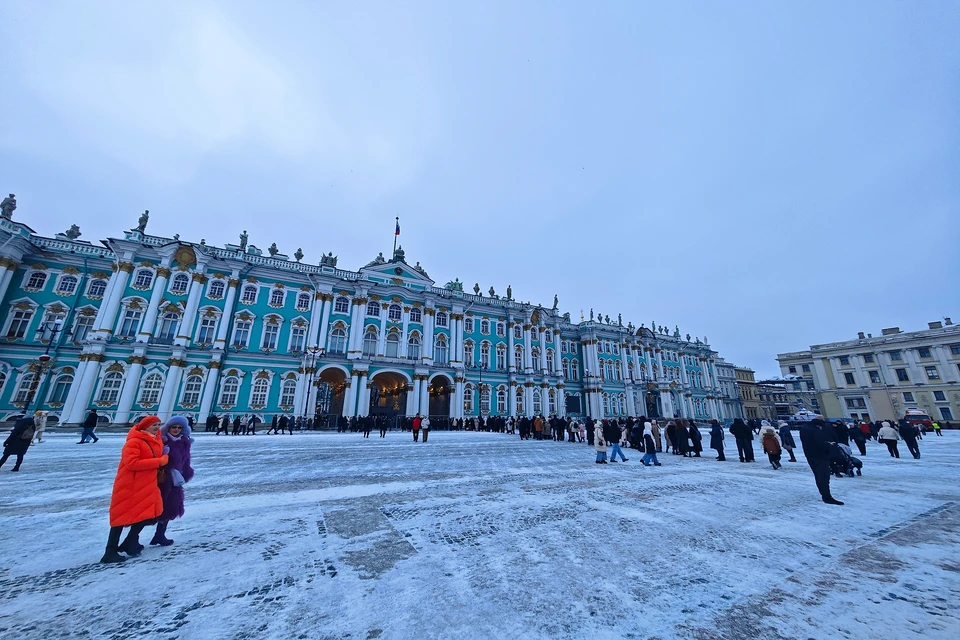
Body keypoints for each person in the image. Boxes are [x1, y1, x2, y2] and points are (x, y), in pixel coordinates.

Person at [100, 416, 169, 563]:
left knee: (149, 513)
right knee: (120, 517)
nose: (157, 427)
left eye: (158, 425)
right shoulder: (134, 441)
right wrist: (160, 461)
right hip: (130, 484)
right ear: (144, 426)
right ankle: (110, 551)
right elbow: (132, 463)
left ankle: (130, 542)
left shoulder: (156, 440)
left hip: (148, 483)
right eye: (153, 425)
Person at [151, 416, 195, 547]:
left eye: (179, 428)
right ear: (168, 428)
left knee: (170, 507)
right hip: (160, 479)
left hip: (175, 480)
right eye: (174, 427)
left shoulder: (184, 442)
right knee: (151, 509)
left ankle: (159, 535)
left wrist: (186, 473)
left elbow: (186, 460)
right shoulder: (161, 441)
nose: (176, 430)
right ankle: (132, 539)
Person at [799, 418, 843, 505]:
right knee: (824, 476)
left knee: (818, 476)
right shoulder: (815, 431)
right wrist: (829, 446)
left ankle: (824, 494)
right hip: (819, 456)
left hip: (809, 455)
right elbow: (821, 444)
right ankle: (827, 497)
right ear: (819, 425)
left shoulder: (803, 430)